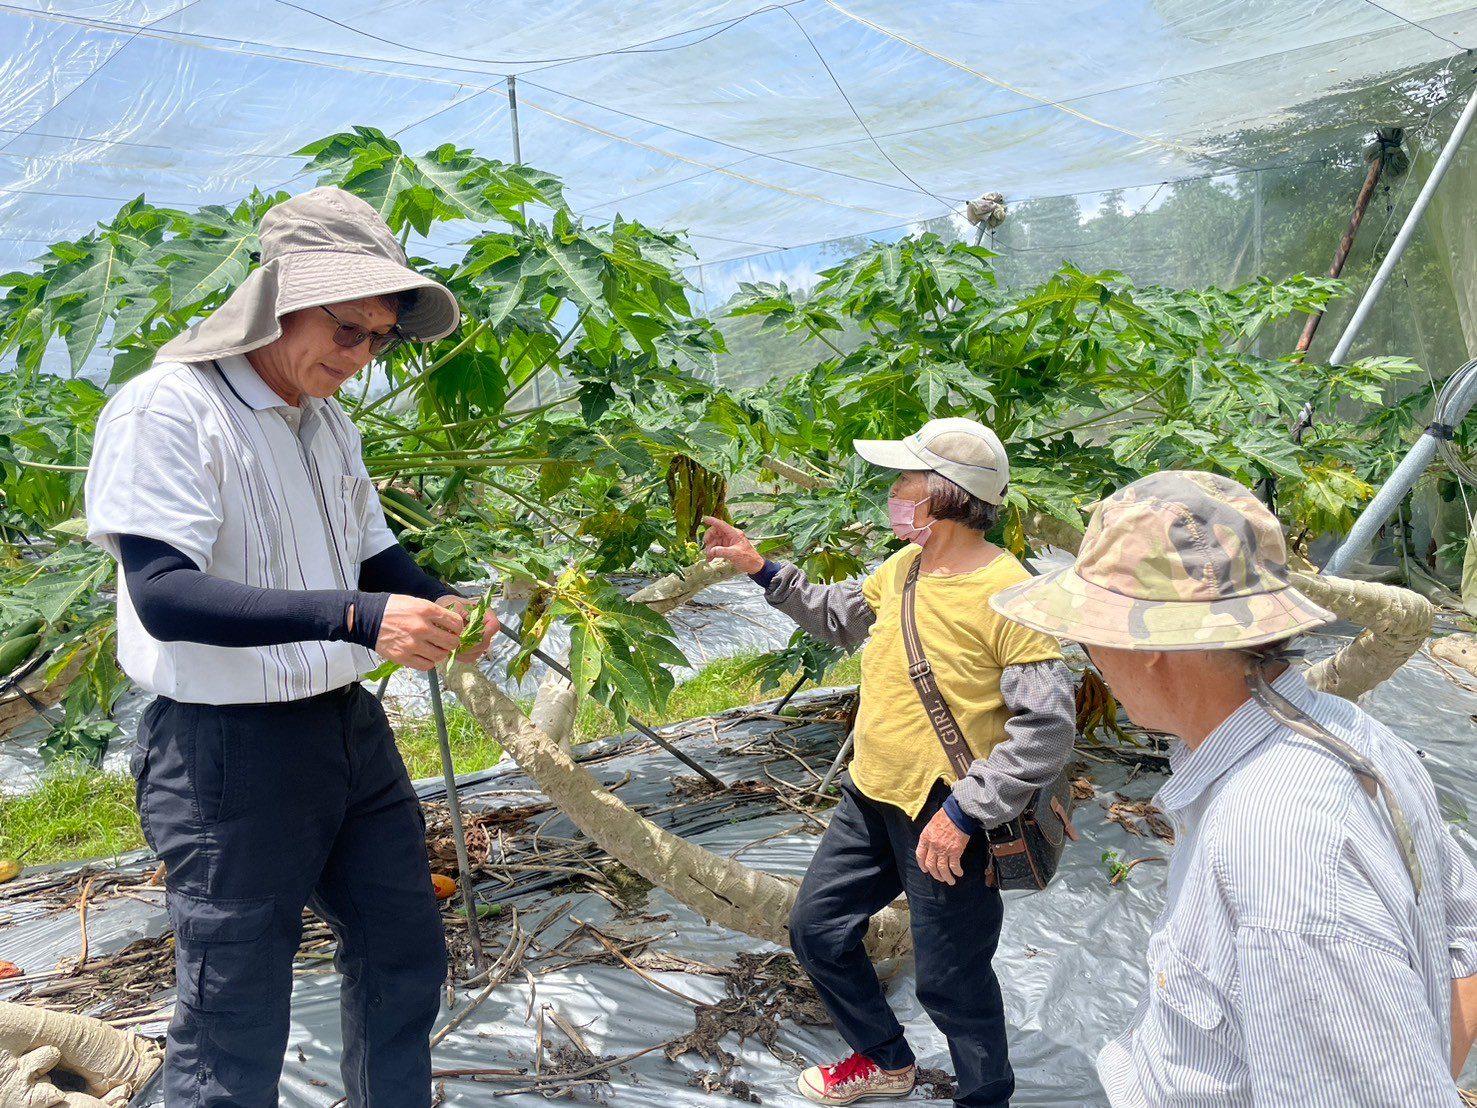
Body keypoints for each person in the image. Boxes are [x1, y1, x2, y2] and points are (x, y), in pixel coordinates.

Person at [84, 187, 498, 1107]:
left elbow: (373, 554)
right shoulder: (169, 409)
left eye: (380, 340)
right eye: (347, 332)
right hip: (228, 754)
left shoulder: (327, 422)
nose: (360, 359)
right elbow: (164, 594)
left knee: (405, 956)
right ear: (277, 302)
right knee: (233, 1009)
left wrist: (440, 603)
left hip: (346, 732)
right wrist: (358, 619)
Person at [990, 469, 1477, 1106]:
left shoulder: (1274, 841)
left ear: (1149, 645)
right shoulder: (1352, 733)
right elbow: (1459, 949)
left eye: (1088, 635)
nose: (1091, 659)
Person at [703, 418, 1076, 1108]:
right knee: (816, 930)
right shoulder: (901, 567)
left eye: (904, 479)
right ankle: (885, 1059)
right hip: (871, 795)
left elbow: (1047, 728)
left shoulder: (1010, 597)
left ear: (943, 494)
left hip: (947, 812)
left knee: (950, 979)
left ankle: (983, 1095)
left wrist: (963, 812)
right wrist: (758, 567)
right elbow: (836, 618)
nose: (893, 490)